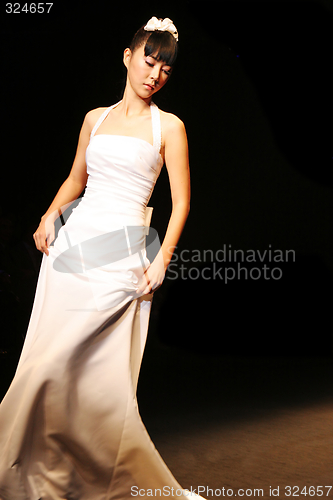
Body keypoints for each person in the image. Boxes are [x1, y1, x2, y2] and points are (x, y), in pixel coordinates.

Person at [0, 17, 206, 500]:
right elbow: (76, 180)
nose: (155, 73)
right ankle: (38, 471)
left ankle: (97, 475)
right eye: (149, 60)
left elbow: (182, 203)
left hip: (123, 252)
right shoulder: (95, 118)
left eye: (166, 69)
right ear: (128, 56)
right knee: (48, 365)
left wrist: (162, 260)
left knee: (95, 377)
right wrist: (50, 214)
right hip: (74, 250)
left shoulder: (170, 128)